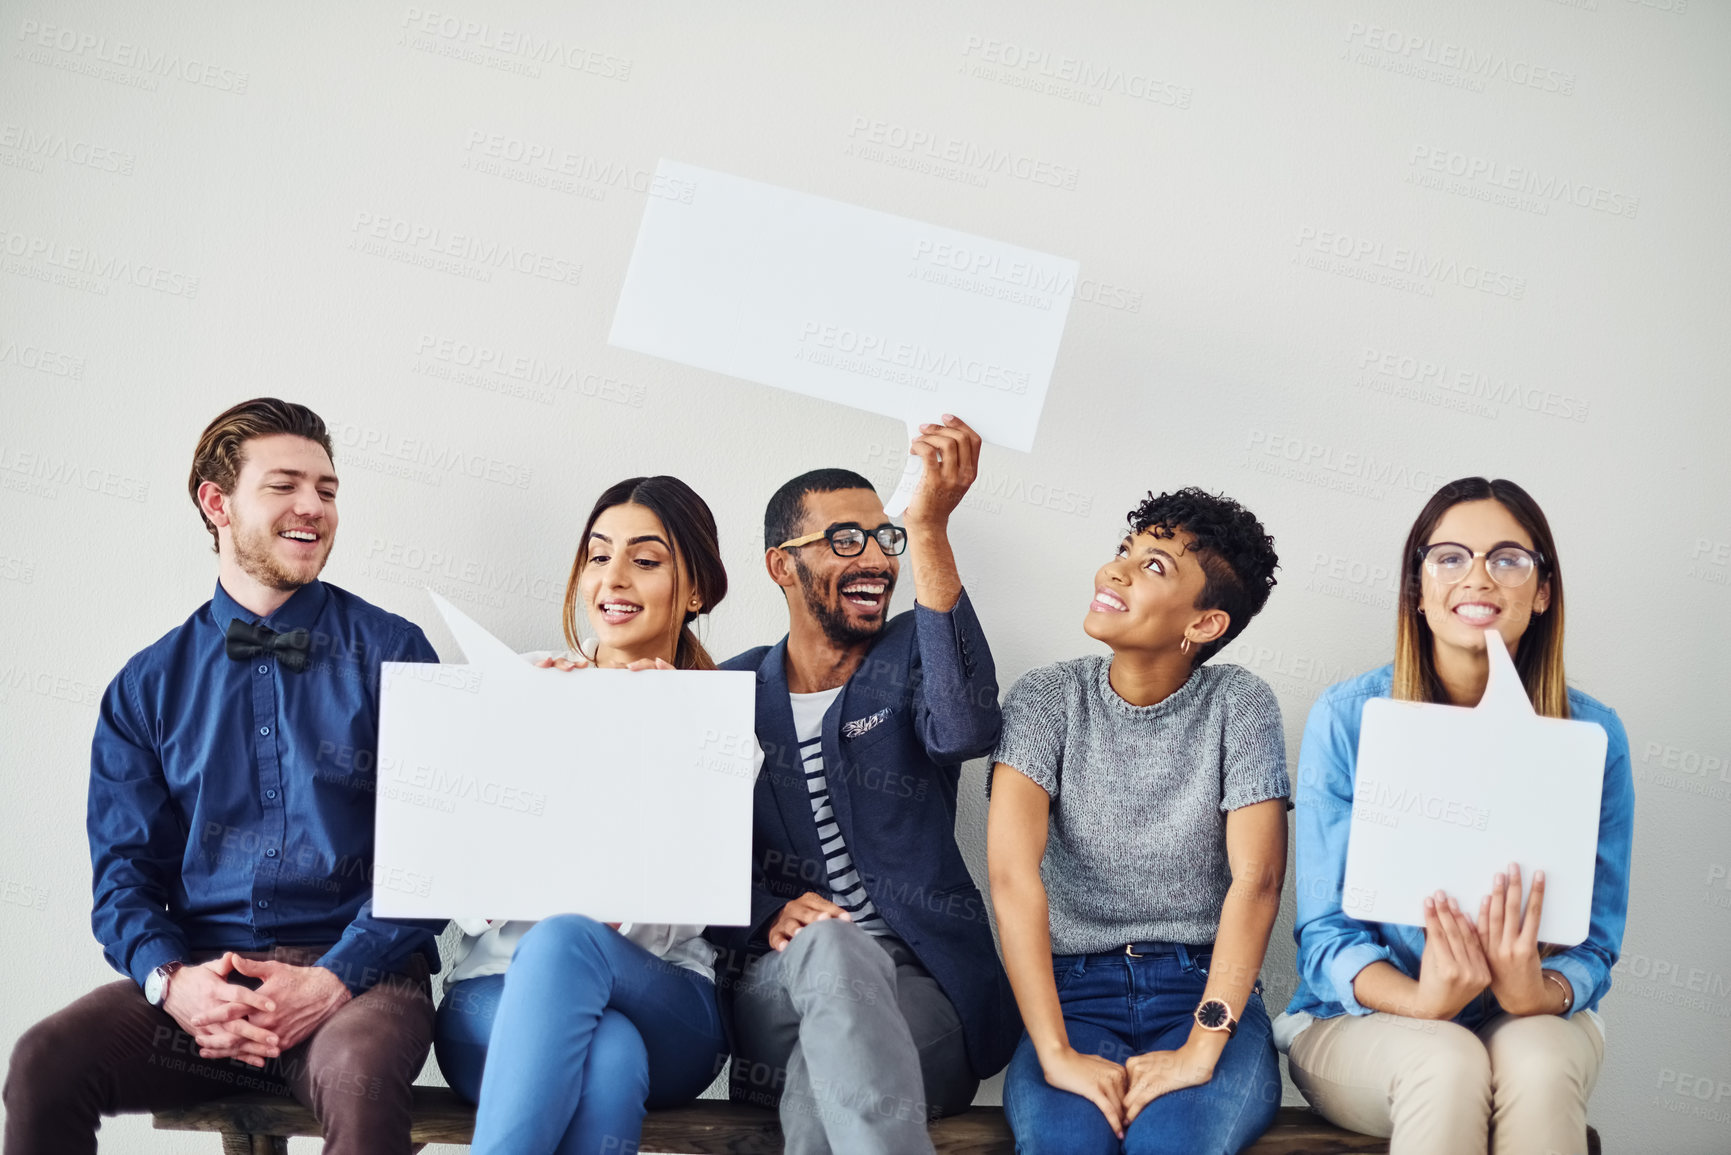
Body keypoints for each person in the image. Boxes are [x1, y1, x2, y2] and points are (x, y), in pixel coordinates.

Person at [2, 399, 445, 1155]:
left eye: (328, 490)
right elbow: (124, 879)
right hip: (207, 989)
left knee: (360, 1083)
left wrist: (333, 978)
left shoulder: (395, 652)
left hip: (359, 984)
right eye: (285, 485)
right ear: (217, 502)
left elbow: (434, 857)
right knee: (43, 1063)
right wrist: (174, 983)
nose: (314, 507)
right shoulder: (144, 686)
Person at [1278, 477, 1634, 1155]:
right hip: (1364, 1018)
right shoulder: (1348, 717)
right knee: (1445, 1060)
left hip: (1528, 1010)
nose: (1478, 576)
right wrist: (1421, 1000)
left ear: (1541, 590)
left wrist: (1538, 989)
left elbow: (1594, 940)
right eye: (1449, 557)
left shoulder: (1594, 735)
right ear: (1416, 589)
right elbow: (1324, 934)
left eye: (1507, 558)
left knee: (1534, 1062)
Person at [709, 415, 1018, 1155]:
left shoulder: (915, 649)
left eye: (886, 538)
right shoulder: (726, 692)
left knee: (828, 1076)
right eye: (845, 539)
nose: (875, 557)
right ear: (781, 566)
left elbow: (964, 730)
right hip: (777, 987)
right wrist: (765, 914)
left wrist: (933, 530)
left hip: (920, 988)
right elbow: (683, 856)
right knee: (829, 952)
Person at [433, 476, 736, 1155]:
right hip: (493, 993)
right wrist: (539, 734)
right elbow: (465, 898)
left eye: (646, 559)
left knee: (566, 939)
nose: (614, 578)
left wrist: (661, 739)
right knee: (608, 1052)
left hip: (667, 1001)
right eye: (598, 556)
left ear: (694, 591)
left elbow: (672, 918)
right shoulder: (518, 684)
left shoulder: (714, 722)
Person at [987, 487, 1288, 1154]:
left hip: (1200, 989)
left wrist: (1202, 1045)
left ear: (1203, 624)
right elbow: (1011, 877)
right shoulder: (1046, 697)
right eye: (1124, 550)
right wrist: (1054, 1049)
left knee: (1172, 1146)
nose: (1114, 570)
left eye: (1153, 565)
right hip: (1073, 994)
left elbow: (1258, 879)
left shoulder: (1240, 703)